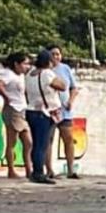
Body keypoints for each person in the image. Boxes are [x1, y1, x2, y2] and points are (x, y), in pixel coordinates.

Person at [25, 50, 66, 185]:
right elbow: (62, 86)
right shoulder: (47, 73)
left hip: (31, 110)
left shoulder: (30, 74)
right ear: (48, 62)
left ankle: (35, 171)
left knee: (36, 143)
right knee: (42, 144)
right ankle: (39, 173)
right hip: (44, 112)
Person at [0, 52, 33, 179]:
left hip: (21, 110)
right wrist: (7, 97)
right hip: (12, 110)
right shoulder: (9, 75)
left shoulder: (21, 76)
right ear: (16, 64)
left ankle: (29, 169)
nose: (27, 66)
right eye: (25, 63)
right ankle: (11, 170)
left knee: (28, 142)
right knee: (12, 141)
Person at [45, 44, 80, 179]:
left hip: (65, 110)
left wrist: (71, 100)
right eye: (53, 54)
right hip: (50, 110)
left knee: (68, 139)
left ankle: (71, 169)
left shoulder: (65, 69)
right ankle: (49, 169)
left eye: (58, 54)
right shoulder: (45, 71)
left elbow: (73, 88)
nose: (56, 57)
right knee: (48, 140)